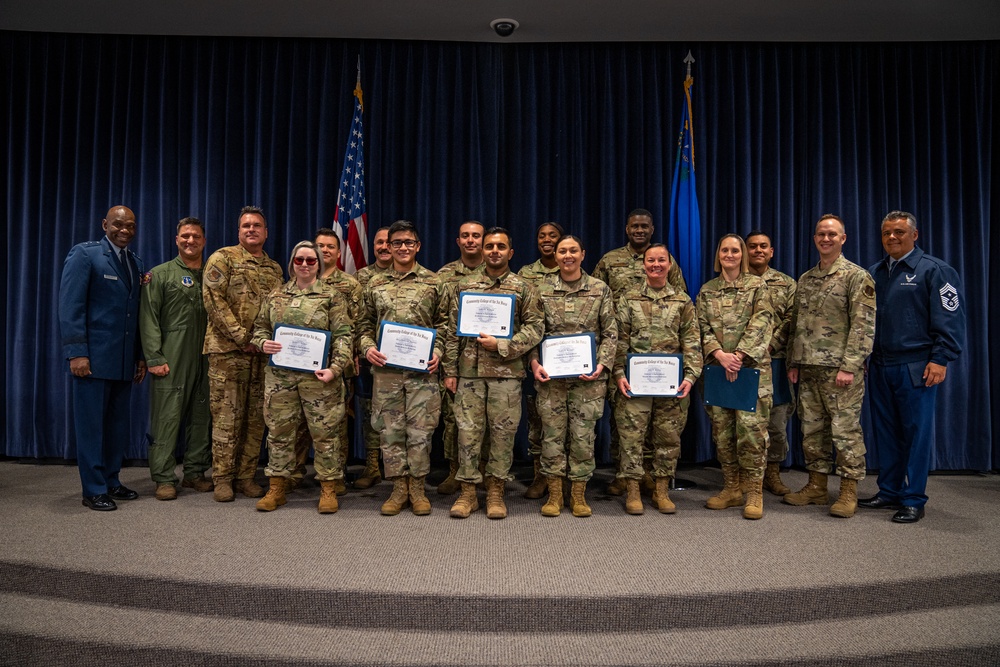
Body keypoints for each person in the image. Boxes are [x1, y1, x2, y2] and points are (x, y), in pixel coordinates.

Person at [860, 211, 965, 523]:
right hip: (879, 366)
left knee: (916, 434)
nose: (892, 237)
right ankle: (889, 490)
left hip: (917, 366)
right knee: (886, 432)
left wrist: (940, 358)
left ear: (914, 236)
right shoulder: (874, 273)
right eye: (887, 233)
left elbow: (951, 318)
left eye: (899, 232)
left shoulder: (936, 271)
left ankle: (913, 499)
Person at [443, 227, 544, 519]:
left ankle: (496, 492)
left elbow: (535, 328)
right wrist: (450, 370)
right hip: (469, 374)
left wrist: (504, 345)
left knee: (502, 435)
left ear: (510, 253)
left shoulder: (523, 288)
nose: (494, 251)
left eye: (501, 246)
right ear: (483, 251)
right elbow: (452, 332)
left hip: (506, 374)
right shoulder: (463, 286)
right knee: (467, 434)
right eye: (489, 246)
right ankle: (468, 493)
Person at [251, 242, 353, 513]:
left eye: (311, 260)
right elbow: (259, 328)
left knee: (325, 434)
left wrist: (336, 368)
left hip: (319, 379)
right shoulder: (276, 295)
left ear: (319, 264)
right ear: (292, 263)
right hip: (280, 378)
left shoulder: (332, 297)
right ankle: (277, 487)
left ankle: (329, 488)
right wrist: (263, 343)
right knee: (279, 433)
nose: (305, 265)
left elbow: (344, 336)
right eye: (299, 260)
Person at [785, 214, 876, 518]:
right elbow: (798, 323)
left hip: (840, 371)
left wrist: (850, 365)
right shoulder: (807, 278)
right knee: (812, 431)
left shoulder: (856, 276)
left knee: (845, 431)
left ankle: (849, 491)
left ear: (843, 238)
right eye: (821, 234)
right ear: (814, 239)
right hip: (809, 368)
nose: (826, 238)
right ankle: (817, 486)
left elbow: (863, 326)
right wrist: (794, 361)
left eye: (832, 234)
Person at [593, 208, 686, 496]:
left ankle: (649, 476)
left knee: (659, 425)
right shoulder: (610, 261)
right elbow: (598, 300)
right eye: (634, 226)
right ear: (626, 228)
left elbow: (680, 302)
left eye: (645, 226)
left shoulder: (668, 262)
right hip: (625, 352)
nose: (639, 230)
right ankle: (626, 476)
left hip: (663, 358)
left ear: (652, 228)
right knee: (625, 421)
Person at [59, 205, 146, 511]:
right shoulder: (86, 255)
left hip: (122, 361)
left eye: (131, 226)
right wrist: (77, 352)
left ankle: (111, 480)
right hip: (92, 361)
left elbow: (134, 316)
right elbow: (71, 306)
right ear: (104, 224)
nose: (124, 230)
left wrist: (138, 357)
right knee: (91, 427)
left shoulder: (135, 263)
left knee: (116, 427)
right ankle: (93, 488)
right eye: (118, 225)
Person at [358, 220, 445, 515]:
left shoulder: (434, 282)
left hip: (423, 373)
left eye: (409, 242)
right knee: (390, 431)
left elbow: (445, 324)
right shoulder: (373, 284)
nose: (403, 248)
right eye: (397, 243)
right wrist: (367, 347)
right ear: (388, 247)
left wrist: (439, 350)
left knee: (421, 431)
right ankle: (397, 488)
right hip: (387, 373)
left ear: (418, 246)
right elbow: (363, 325)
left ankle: (418, 488)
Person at [530, 235, 617, 518]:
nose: (567, 256)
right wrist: (533, 363)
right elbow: (532, 331)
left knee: (583, 436)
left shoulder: (599, 288)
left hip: (588, 380)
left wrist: (602, 365)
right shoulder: (540, 289)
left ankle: (578, 495)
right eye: (562, 251)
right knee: (552, 436)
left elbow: (611, 332)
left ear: (583, 254)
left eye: (573, 251)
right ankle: (555, 495)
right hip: (550, 379)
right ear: (555, 256)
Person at [202, 206, 284, 502]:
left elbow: (277, 312)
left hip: (262, 356)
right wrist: (243, 338)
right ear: (239, 231)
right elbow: (214, 302)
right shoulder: (222, 258)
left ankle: (246, 476)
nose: (251, 229)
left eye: (257, 225)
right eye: (246, 225)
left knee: (255, 419)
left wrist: (264, 342)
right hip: (227, 353)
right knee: (226, 417)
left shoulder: (274, 269)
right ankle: (222, 477)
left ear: (265, 232)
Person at [613, 244, 702, 515]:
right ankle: (633, 490)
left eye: (661, 260)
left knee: (668, 437)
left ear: (669, 265)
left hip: (671, 385)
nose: (656, 265)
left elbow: (692, 341)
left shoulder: (682, 300)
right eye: (651, 260)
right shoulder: (628, 299)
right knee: (631, 438)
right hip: (634, 383)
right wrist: (618, 373)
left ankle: (661, 490)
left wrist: (691, 375)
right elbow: (619, 340)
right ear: (643, 265)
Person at [696, 234, 774, 520]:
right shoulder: (707, 290)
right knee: (723, 432)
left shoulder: (757, 286)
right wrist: (719, 355)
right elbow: (700, 326)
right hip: (718, 369)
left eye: (735, 250)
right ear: (718, 255)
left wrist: (739, 355)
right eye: (725, 250)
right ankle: (731, 488)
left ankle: (754, 492)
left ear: (743, 255)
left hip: (749, 370)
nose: (730, 254)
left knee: (751, 434)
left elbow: (763, 322)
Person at [139, 217, 213, 500]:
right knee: (167, 418)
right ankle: (164, 477)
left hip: (206, 358)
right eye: (185, 236)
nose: (190, 241)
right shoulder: (159, 275)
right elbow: (148, 319)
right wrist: (154, 356)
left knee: (201, 416)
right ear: (176, 239)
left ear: (204, 241)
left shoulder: (213, 275)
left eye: (196, 236)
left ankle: (194, 473)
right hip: (172, 357)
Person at [288, 228, 363, 496]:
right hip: (297, 365)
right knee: (297, 424)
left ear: (338, 252)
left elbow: (355, 324)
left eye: (331, 246)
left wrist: (345, 361)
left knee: (335, 424)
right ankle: (294, 472)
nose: (326, 250)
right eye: (321, 246)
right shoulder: (295, 283)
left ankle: (336, 475)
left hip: (336, 365)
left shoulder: (349, 284)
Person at [435, 220, 486, 495]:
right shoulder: (444, 275)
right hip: (457, 359)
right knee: (454, 420)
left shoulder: (496, 273)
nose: (470, 240)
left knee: (488, 422)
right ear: (458, 241)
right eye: (465, 235)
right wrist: (447, 366)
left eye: (476, 236)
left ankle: (487, 471)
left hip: (492, 361)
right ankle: (455, 470)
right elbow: (442, 320)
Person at [745, 230, 797, 496]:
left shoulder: (786, 284)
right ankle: (744, 477)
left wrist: (768, 346)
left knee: (776, 423)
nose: (758, 251)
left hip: (775, 361)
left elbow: (791, 321)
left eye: (763, 246)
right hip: (742, 364)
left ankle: (772, 474)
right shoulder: (734, 282)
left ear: (772, 251)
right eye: (752, 246)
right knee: (744, 423)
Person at [517, 221, 564, 498]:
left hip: (569, 361)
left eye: (553, 236)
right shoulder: (526, 274)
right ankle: (540, 476)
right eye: (541, 235)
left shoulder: (572, 268)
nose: (547, 240)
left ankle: (563, 477)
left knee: (565, 424)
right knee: (537, 422)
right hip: (536, 359)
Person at [352, 226, 393, 490]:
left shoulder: (415, 275)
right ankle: (372, 466)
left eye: (390, 242)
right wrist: (358, 350)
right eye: (379, 242)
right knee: (370, 413)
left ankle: (395, 467)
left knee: (398, 415)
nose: (385, 246)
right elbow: (357, 319)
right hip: (370, 357)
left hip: (404, 361)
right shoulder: (361, 277)